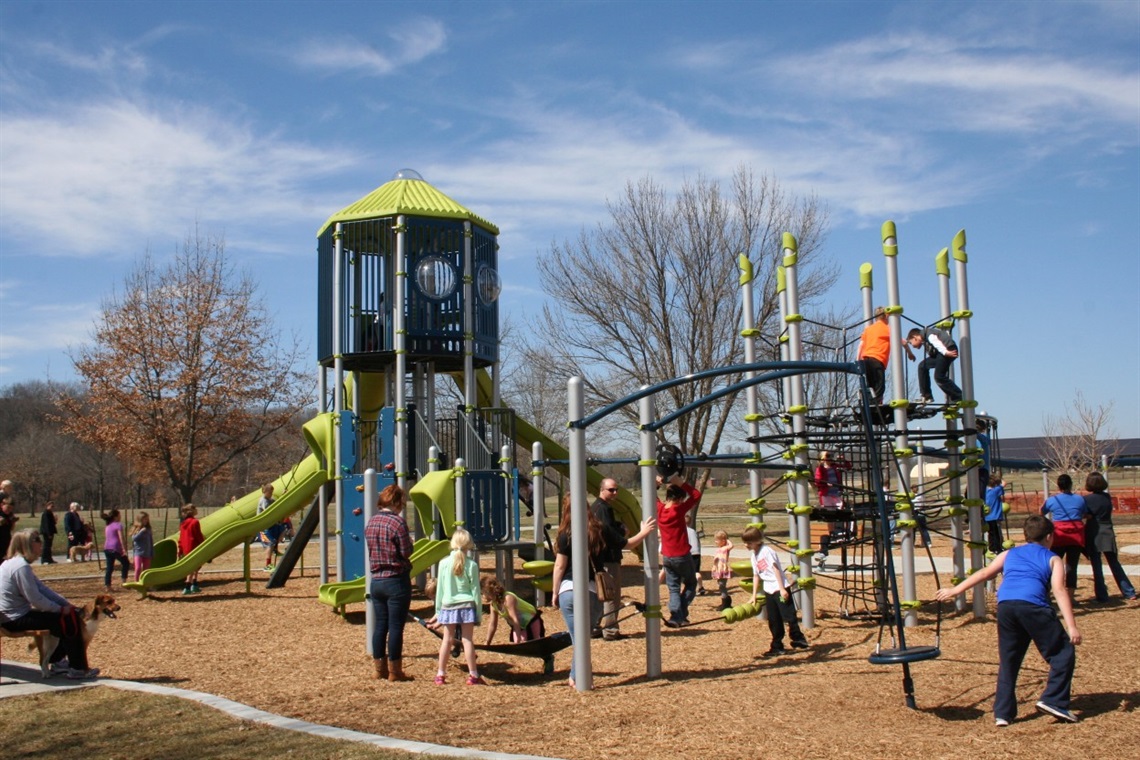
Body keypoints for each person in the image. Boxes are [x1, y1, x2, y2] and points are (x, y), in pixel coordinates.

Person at [936, 515, 1081, 725]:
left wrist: (955, 590)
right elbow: (1059, 590)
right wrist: (1072, 626)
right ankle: (1054, 700)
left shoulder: (1009, 553)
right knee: (1062, 654)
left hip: (1006, 607)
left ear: (1025, 535)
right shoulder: (1053, 558)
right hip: (1034, 607)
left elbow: (985, 573)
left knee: (1009, 659)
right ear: (1050, 536)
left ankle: (1003, 713)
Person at [551, 493, 655, 688]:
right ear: (588, 507)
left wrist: (555, 592)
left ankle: (578, 676)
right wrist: (644, 531)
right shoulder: (599, 529)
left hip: (568, 591)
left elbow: (559, 566)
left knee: (577, 638)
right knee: (581, 638)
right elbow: (627, 544)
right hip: (590, 591)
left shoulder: (566, 533)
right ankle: (580, 677)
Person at [0, 529, 100, 679]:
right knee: (68, 622)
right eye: (37, 540)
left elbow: (43, 590)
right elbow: (35, 599)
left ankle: (58, 662)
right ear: (28, 545)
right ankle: (77, 669)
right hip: (13, 619)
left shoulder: (16, 564)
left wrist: (68, 606)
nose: (41, 544)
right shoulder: (20, 567)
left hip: (16, 615)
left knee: (66, 617)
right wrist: (60, 610)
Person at [365, 484, 414, 682]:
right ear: (394, 502)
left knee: (380, 626)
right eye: (401, 502)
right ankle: (395, 670)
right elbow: (406, 551)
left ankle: (379, 669)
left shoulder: (371, 522)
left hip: (376, 580)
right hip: (396, 579)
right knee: (395, 627)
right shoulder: (397, 523)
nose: (402, 506)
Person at [427, 528, 485, 686]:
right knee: (467, 640)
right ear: (469, 545)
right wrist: (478, 614)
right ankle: (473, 675)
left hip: (448, 604)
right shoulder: (472, 565)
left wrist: (438, 610)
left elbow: (440, 590)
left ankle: (440, 674)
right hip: (466, 605)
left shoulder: (444, 563)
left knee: (447, 639)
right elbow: (476, 592)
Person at [743, 524, 809, 657]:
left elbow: (776, 569)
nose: (746, 545)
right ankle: (777, 645)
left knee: (788, 615)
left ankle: (798, 638)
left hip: (779, 588)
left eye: (749, 542)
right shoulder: (753, 556)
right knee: (773, 619)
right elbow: (756, 576)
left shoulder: (767, 551)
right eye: (745, 543)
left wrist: (782, 589)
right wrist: (754, 595)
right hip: (769, 590)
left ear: (757, 541)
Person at [1081, 472, 1137, 602]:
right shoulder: (1107, 497)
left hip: (1093, 530)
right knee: (1114, 563)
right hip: (1107, 529)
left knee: (1097, 564)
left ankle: (1102, 595)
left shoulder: (1086, 499)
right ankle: (1129, 591)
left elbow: (1086, 515)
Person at [657, 472, 702, 628]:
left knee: (673, 587)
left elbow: (651, 497)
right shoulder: (678, 510)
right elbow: (696, 494)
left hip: (667, 557)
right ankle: (679, 613)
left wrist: (656, 483)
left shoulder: (660, 510)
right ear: (679, 498)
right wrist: (680, 482)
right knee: (691, 584)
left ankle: (676, 616)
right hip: (682, 555)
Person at [590, 478, 627, 641]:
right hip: (608, 558)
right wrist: (622, 533)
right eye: (611, 490)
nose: (615, 493)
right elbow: (608, 533)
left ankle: (594, 627)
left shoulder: (596, 507)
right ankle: (610, 630)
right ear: (602, 490)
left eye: (616, 489)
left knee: (601, 593)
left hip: (600, 558)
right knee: (610, 594)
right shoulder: (603, 509)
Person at [1040, 474, 1087, 601]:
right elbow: (1084, 513)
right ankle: (1070, 597)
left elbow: (1041, 512)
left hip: (1059, 535)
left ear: (1058, 485)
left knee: (1052, 565)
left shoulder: (1052, 500)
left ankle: (1046, 594)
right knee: (1072, 566)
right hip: (1076, 535)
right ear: (1071, 484)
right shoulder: (1080, 499)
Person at [856, 307, 914, 405]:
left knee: (870, 385)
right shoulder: (888, 329)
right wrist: (910, 353)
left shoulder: (868, 329)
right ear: (886, 316)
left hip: (866, 360)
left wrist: (857, 361)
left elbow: (861, 345)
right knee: (879, 386)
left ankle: (869, 405)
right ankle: (876, 405)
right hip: (878, 359)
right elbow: (903, 342)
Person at [906, 326, 963, 404]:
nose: (912, 346)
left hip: (947, 349)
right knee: (922, 366)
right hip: (941, 352)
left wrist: (946, 352)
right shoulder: (924, 340)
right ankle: (926, 395)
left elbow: (936, 342)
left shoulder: (926, 333)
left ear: (914, 337)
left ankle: (957, 395)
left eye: (910, 342)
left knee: (939, 376)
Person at [481, 576, 545, 643]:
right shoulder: (493, 605)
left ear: (489, 592)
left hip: (532, 619)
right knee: (521, 643)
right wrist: (487, 642)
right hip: (520, 625)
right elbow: (492, 625)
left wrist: (518, 640)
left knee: (536, 642)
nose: (482, 596)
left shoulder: (508, 598)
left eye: (483, 593)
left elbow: (515, 619)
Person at [257, 483, 284, 572]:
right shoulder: (263, 500)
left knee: (282, 529)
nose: (271, 494)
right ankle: (267, 565)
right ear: (265, 492)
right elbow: (268, 511)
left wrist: (284, 495)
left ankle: (275, 549)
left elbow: (278, 504)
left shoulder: (271, 500)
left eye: (272, 493)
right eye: (270, 492)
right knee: (270, 544)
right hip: (263, 529)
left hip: (271, 526)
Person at [178, 504, 204, 595]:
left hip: (186, 548)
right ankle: (188, 586)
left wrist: (180, 549)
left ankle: (195, 583)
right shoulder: (195, 522)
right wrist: (203, 543)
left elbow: (180, 538)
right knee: (193, 567)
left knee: (194, 566)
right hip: (194, 547)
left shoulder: (183, 524)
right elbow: (198, 536)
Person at [101, 509, 129, 591]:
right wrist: (124, 548)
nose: (120, 517)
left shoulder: (108, 526)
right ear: (115, 517)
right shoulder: (118, 525)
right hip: (115, 548)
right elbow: (121, 538)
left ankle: (107, 585)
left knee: (109, 567)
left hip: (107, 548)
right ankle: (124, 582)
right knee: (126, 563)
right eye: (119, 515)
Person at [711, 530, 734, 611]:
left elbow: (731, 545)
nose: (715, 541)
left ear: (723, 540)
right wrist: (714, 566)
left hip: (723, 569)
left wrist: (727, 540)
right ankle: (726, 600)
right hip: (718, 569)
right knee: (720, 585)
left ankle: (725, 602)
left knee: (722, 585)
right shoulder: (719, 549)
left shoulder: (725, 548)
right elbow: (716, 560)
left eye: (717, 540)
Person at [984, 475, 1007, 555]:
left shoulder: (985, 491)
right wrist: (1000, 478)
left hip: (987, 517)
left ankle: (992, 548)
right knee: (997, 534)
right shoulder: (995, 491)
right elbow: (1004, 483)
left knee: (991, 533)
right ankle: (997, 548)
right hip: (995, 516)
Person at [688, 513, 708, 596]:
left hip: (688, 553)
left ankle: (690, 589)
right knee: (696, 571)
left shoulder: (682, 531)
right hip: (697, 553)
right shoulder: (693, 531)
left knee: (688, 572)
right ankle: (700, 587)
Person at [131, 511, 154, 582]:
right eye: (144, 519)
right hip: (138, 552)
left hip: (147, 552)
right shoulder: (137, 529)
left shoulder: (148, 529)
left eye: (147, 519)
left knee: (146, 570)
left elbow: (150, 541)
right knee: (138, 568)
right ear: (140, 520)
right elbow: (134, 538)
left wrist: (152, 552)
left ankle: (145, 583)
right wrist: (141, 532)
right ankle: (136, 582)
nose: (146, 521)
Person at [0, 495, 19, 560]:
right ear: (2, 505)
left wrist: (13, 522)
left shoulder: (10, 515)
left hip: (6, 539)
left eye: (11, 508)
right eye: (8, 507)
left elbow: (11, 529)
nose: (9, 510)